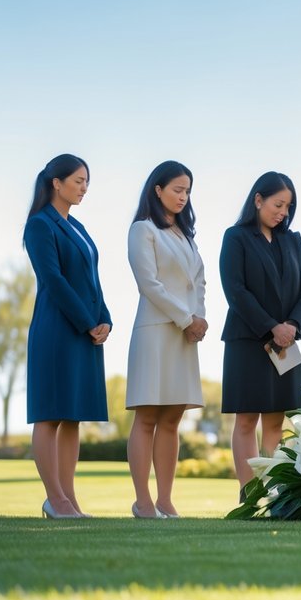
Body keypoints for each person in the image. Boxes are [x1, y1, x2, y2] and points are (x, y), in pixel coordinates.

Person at [23, 154, 111, 519]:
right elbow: (53, 280)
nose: (84, 187)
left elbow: (92, 278)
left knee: (73, 415)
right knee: (50, 415)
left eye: (86, 181)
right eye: (77, 180)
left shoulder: (80, 227)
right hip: (58, 330)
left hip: (86, 330)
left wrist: (105, 318)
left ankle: (68, 498)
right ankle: (54, 498)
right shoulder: (40, 225)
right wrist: (86, 321)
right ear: (55, 183)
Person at [221, 172, 301, 490]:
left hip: (286, 343)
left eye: (288, 207)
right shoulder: (236, 237)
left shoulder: (294, 241)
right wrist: (270, 326)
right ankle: (249, 494)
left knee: (277, 418)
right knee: (246, 419)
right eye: (278, 204)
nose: (283, 212)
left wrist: (291, 326)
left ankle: (273, 493)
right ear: (258, 200)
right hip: (247, 341)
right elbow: (236, 291)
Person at [125, 161, 208, 519]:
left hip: (186, 335)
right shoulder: (143, 230)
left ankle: (165, 499)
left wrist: (199, 318)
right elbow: (149, 284)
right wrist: (186, 318)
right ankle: (142, 500)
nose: (182, 197)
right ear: (157, 190)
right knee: (147, 416)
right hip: (157, 331)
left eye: (187, 191)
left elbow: (199, 282)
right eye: (177, 189)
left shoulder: (186, 235)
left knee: (173, 417)